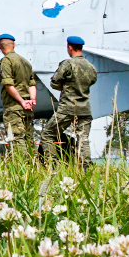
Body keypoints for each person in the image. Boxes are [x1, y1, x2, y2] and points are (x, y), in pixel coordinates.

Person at [43, 37, 98, 167]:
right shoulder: (91, 67)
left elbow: (54, 82)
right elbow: (92, 81)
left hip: (67, 108)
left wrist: (66, 86)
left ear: (70, 47)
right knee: (83, 139)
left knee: (48, 135)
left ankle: (53, 165)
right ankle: (86, 167)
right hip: (85, 108)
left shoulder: (67, 64)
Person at [0, 33, 38, 156]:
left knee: (17, 138)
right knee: (29, 138)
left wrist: (21, 101)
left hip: (14, 107)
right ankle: (34, 165)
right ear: (14, 45)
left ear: (0, 46)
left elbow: (8, 84)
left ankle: (24, 167)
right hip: (28, 107)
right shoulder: (25, 62)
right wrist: (31, 100)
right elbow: (32, 84)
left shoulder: (6, 61)